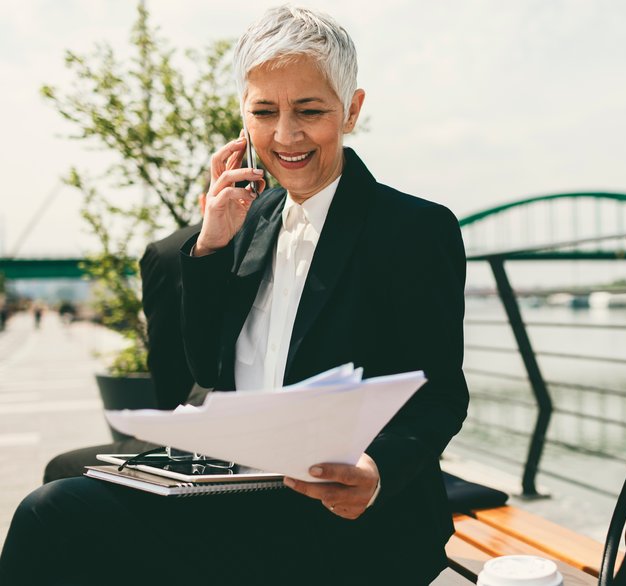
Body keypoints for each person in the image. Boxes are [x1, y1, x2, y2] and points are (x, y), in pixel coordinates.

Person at [0, 6, 468, 586]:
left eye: (310, 111)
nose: (286, 135)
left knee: (53, 514)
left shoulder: (413, 229)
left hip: (338, 509)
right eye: (264, 112)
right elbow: (201, 371)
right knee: (63, 471)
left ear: (352, 110)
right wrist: (210, 246)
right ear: (243, 115)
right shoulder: (254, 216)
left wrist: (376, 469)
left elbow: (442, 395)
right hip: (237, 478)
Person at [41, 216, 204, 483]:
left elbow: (167, 372)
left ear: (203, 199)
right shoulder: (277, 241)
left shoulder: (168, 251)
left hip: (198, 437)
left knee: (60, 470)